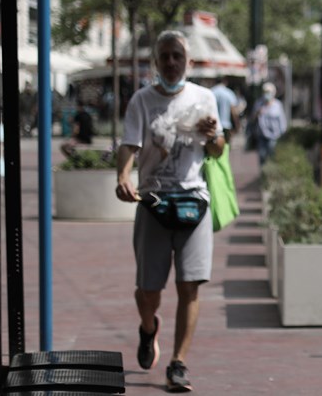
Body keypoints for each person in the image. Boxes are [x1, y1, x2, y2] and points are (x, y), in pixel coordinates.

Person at [114, 30, 223, 392]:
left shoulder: (204, 97)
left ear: (188, 61)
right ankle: (149, 328)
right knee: (148, 289)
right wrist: (124, 176)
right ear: (156, 62)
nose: (172, 62)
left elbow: (218, 150)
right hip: (153, 203)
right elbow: (129, 144)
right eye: (165, 56)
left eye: (178, 55)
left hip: (194, 203)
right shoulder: (141, 101)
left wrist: (213, 136)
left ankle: (178, 363)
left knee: (189, 286)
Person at [250, 82, 287, 166]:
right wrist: (257, 113)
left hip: (274, 136)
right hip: (261, 135)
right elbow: (252, 119)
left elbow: (282, 121)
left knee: (272, 156)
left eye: (269, 92)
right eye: (265, 92)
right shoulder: (258, 104)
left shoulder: (277, 105)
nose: (267, 94)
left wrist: (283, 134)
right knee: (262, 157)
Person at [210, 79, 240, 144]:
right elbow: (233, 111)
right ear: (225, 82)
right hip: (226, 125)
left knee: (213, 148)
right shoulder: (229, 93)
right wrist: (237, 125)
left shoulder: (211, 92)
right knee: (226, 146)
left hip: (213, 125)